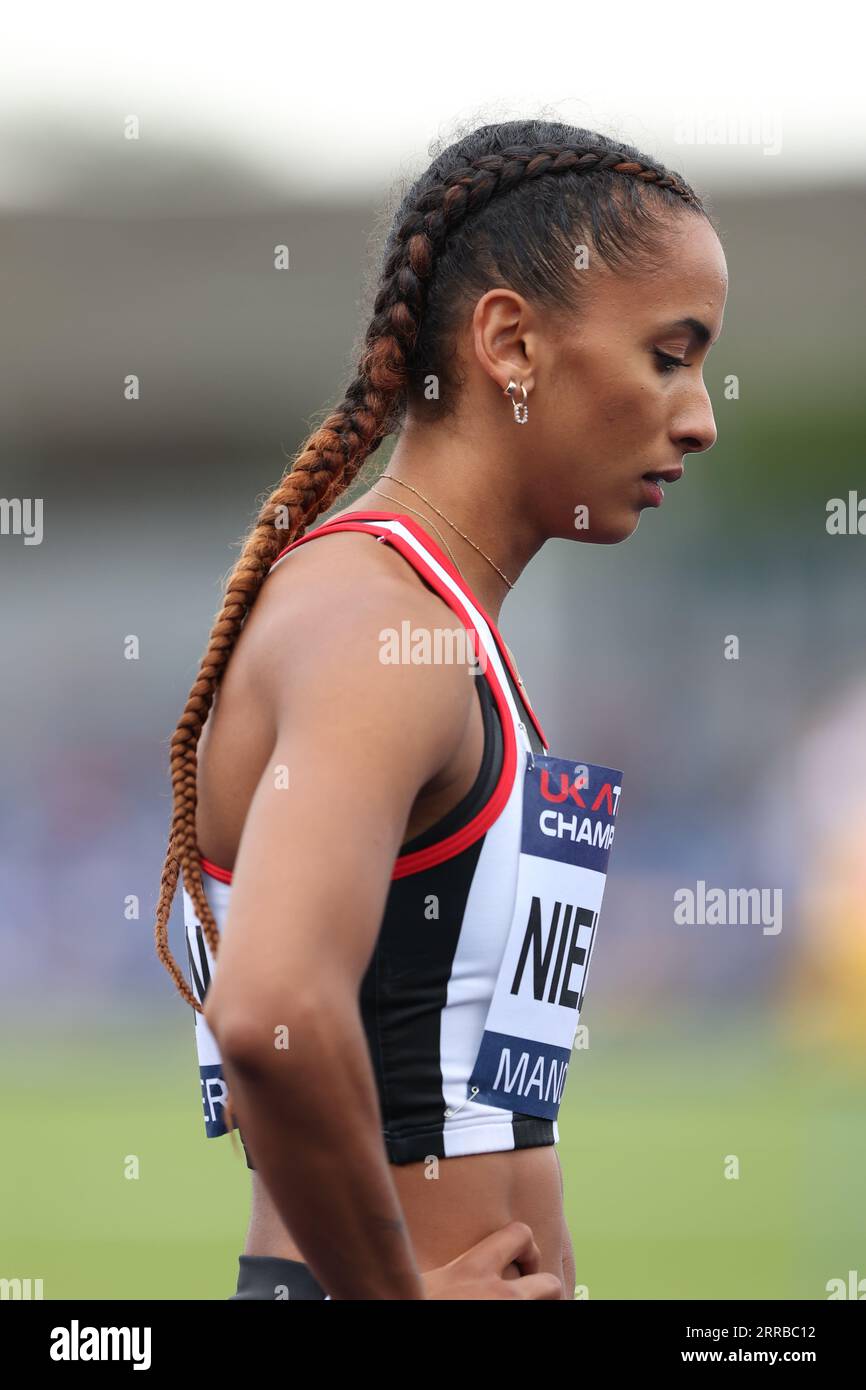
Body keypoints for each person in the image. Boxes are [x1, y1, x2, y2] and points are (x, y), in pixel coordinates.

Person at [153, 117, 727, 1300]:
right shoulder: (379, 626)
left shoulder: (434, 620)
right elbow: (273, 1010)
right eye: (669, 356)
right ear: (509, 342)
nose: (699, 416)